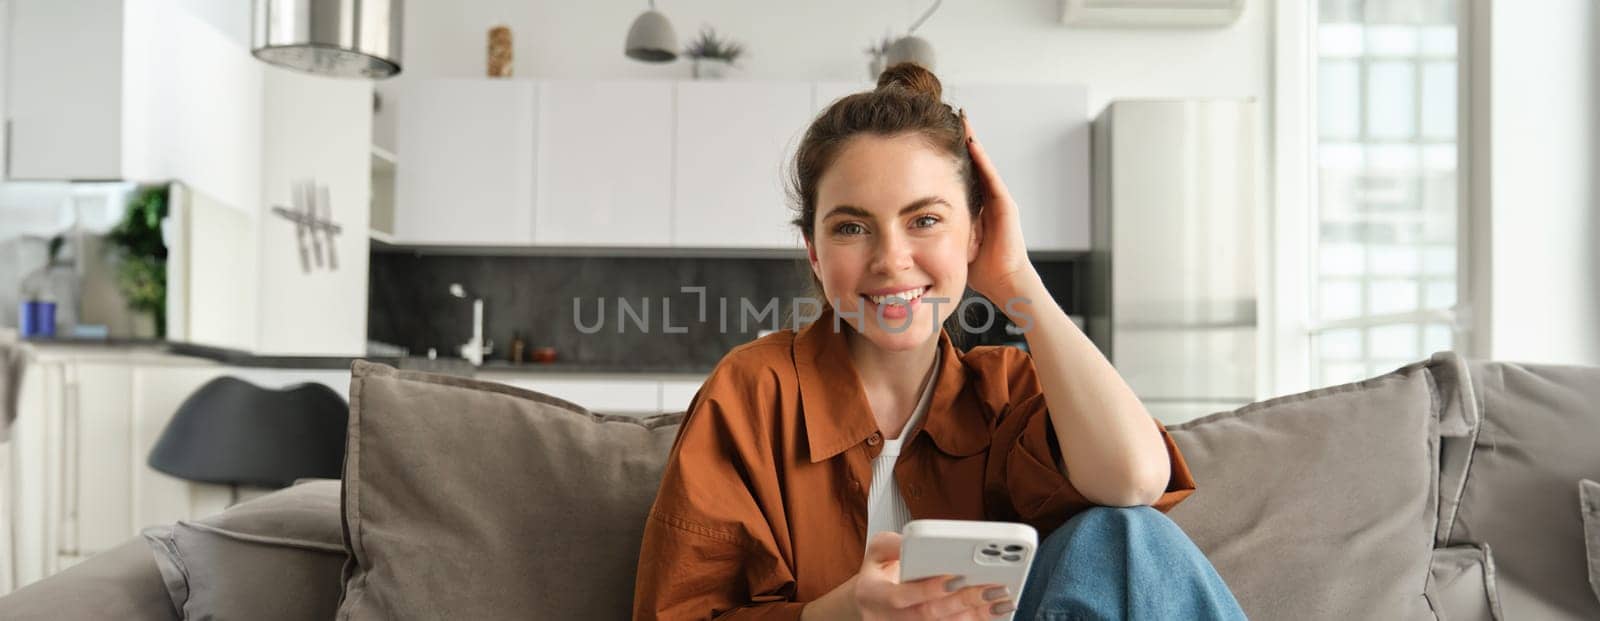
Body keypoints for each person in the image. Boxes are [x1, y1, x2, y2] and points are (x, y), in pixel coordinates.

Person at [633, 63, 1245, 620]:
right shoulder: (752, 392)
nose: (892, 260)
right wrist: (848, 612)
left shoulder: (1008, 389)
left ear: (975, 235)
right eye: (852, 227)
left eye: (925, 220)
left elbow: (1134, 482)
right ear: (815, 254)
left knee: (1128, 535)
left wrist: (1017, 280)